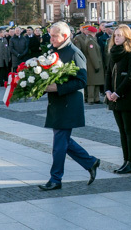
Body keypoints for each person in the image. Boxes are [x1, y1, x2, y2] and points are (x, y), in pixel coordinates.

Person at [39, 22, 100, 191]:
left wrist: (57, 88)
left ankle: (55, 179)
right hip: (56, 104)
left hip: (68, 105)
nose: (50, 39)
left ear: (65, 36)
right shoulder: (53, 51)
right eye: (50, 35)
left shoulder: (75, 53)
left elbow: (82, 81)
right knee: (63, 141)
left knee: (59, 144)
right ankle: (90, 162)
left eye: (54, 36)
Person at [104, 25, 131, 175]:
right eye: (115, 35)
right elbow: (108, 73)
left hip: (128, 98)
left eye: (120, 35)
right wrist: (108, 91)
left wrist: (117, 93)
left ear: (127, 37)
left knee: (129, 130)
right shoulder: (114, 52)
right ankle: (125, 160)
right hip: (114, 98)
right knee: (122, 131)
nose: (117, 37)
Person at [82, 26, 104, 104]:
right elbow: (93, 55)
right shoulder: (90, 41)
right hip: (92, 64)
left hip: (95, 64)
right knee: (91, 83)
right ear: (93, 32)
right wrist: (96, 65)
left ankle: (96, 98)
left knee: (97, 82)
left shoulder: (92, 39)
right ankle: (91, 99)